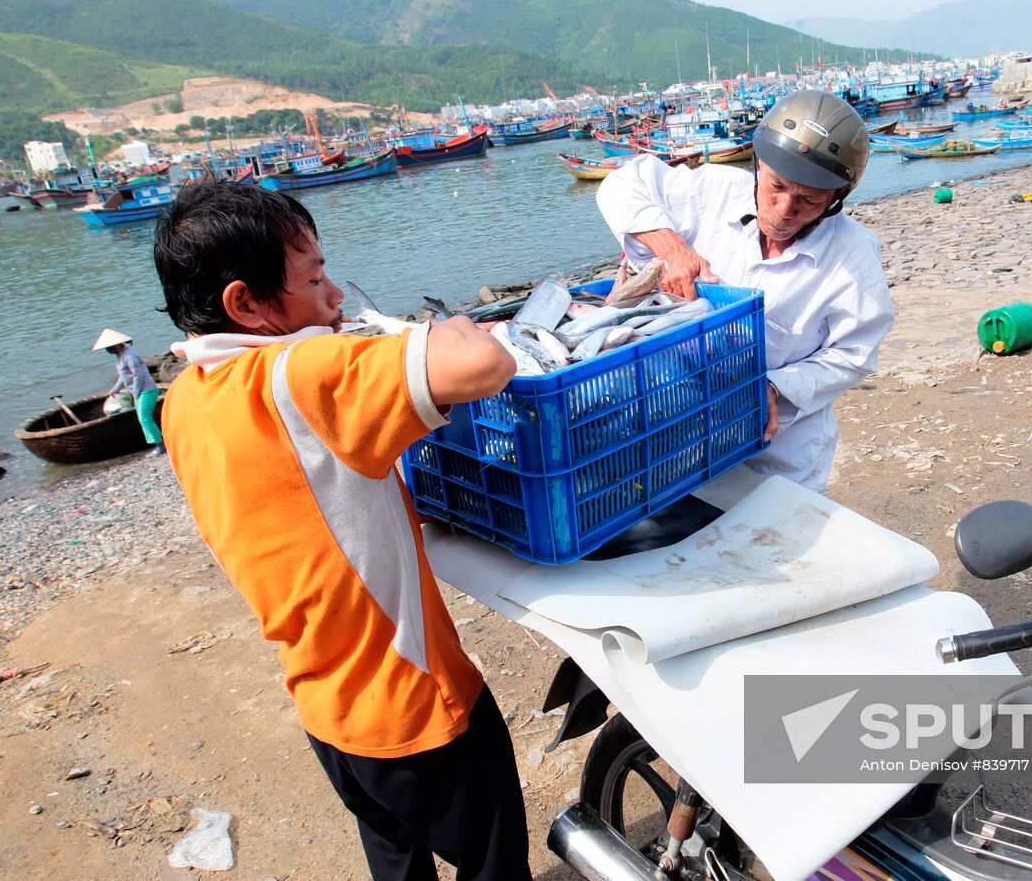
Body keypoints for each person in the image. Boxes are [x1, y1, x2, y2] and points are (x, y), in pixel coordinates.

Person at [152, 181, 529, 881]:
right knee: (492, 860)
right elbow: (484, 363)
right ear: (245, 303)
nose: (333, 297)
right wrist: (447, 329)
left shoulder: (183, 401)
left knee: (396, 860)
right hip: (413, 704)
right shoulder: (298, 374)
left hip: (327, 706)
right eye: (314, 278)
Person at [596, 90, 894, 493]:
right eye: (777, 186)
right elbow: (621, 184)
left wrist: (775, 386)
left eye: (809, 200)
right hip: (678, 437)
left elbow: (853, 356)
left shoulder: (853, 257)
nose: (785, 210)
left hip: (777, 458)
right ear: (758, 164)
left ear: (837, 199)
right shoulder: (715, 190)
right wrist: (670, 247)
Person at [92, 328, 165, 457]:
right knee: (143, 419)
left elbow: (139, 375)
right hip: (138, 392)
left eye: (109, 347)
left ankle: (160, 446)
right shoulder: (120, 356)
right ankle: (160, 443)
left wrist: (136, 393)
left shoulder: (129, 356)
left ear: (117, 345)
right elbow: (123, 376)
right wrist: (115, 389)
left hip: (146, 390)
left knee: (145, 418)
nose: (108, 349)